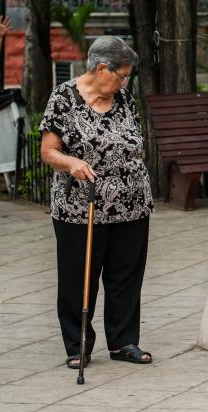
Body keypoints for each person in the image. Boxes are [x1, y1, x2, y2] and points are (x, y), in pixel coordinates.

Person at [40, 37, 153, 368]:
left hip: (132, 203)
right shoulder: (64, 98)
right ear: (103, 68)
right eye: (121, 76)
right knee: (79, 277)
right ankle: (78, 345)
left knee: (126, 276)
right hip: (80, 206)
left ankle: (123, 342)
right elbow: (48, 151)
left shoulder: (124, 99)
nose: (123, 83)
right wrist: (71, 163)